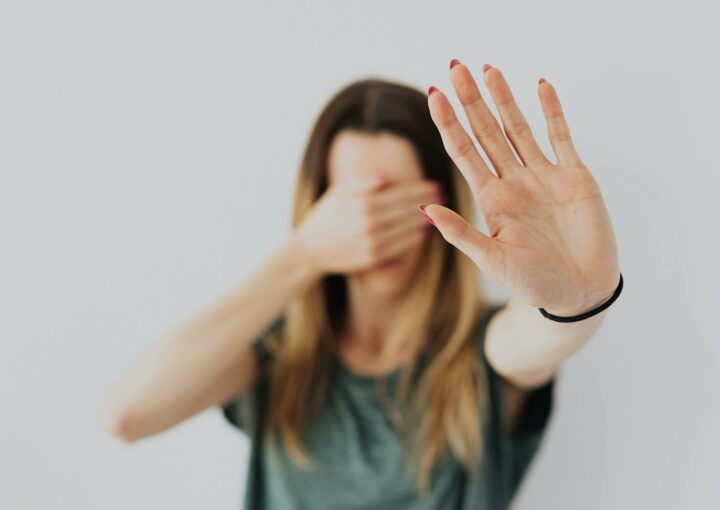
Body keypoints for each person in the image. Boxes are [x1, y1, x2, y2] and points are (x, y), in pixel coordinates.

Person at [99, 60, 621, 509]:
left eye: (401, 203)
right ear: (319, 206)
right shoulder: (276, 355)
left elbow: (540, 337)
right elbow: (128, 414)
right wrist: (302, 254)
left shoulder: (479, 354)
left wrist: (581, 299)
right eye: (354, 204)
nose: (375, 228)